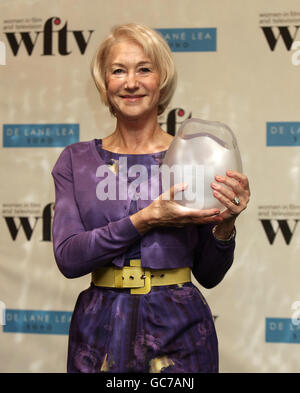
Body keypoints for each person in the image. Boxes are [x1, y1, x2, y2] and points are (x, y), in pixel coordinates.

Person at [51, 23, 250, 373]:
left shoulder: (196, 157)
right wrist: (145, 219)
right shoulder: (75, 160)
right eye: (118, 71)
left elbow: (209, 274)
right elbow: (69, 258)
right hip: (99, 333)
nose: (131, 82)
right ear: (104, 82)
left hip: (181, 332)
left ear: (162, 80)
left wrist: (225, 226)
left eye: (144, 69)